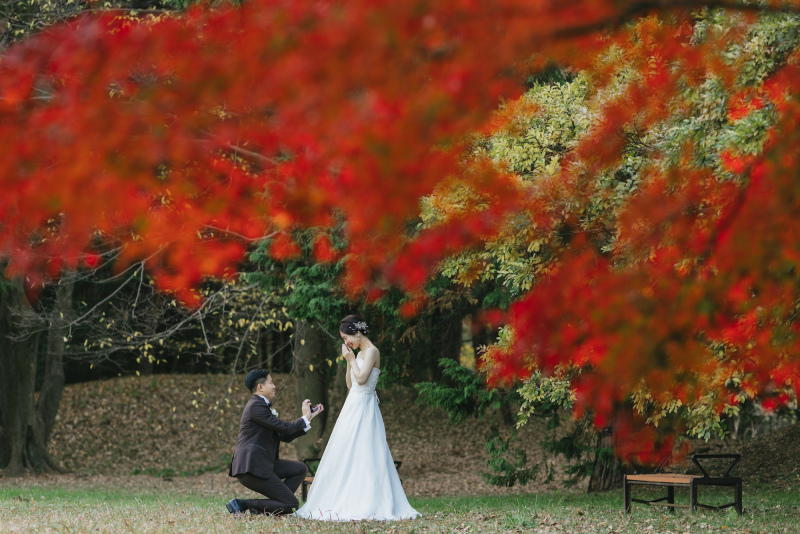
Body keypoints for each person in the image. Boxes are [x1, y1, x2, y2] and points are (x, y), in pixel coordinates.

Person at [295, 315, 419, 521]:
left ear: (357, 332)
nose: (346, 342)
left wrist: (352, 360)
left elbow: (362, 380)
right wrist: (349, 362)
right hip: (351, 407)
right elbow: (350, 385)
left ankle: (369, 499)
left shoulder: (372, 351)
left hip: (366, 408)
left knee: (366, 451)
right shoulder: (359, 354)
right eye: (344, 339)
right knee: (346, 449)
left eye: (346, 337)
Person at [227, 369, 324, 516]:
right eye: (271, 382)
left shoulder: (262, 407)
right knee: (292, 505)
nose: (274, 386)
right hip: (251, 466)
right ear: (260, 387)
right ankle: (243, 504)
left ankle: (274, 506)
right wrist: (304, 417)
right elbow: (285, 428)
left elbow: (284, 436)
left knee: (300, 469)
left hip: (262, 464)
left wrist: (308, 418)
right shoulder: (255, 406)